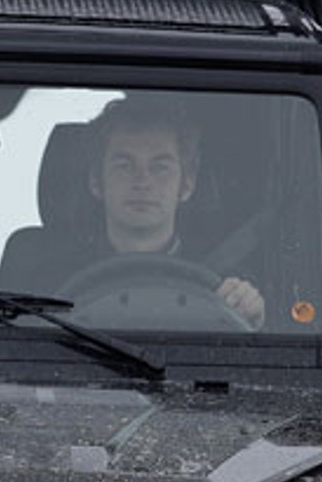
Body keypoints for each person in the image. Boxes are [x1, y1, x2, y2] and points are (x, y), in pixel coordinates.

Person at [84, 96, 265, 326]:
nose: (143, 181)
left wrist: (253, 317)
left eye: (160, 167)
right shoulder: (50, 279)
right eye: (124, 165)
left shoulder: (227, 285)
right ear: (96, 182)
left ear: (187, 184)